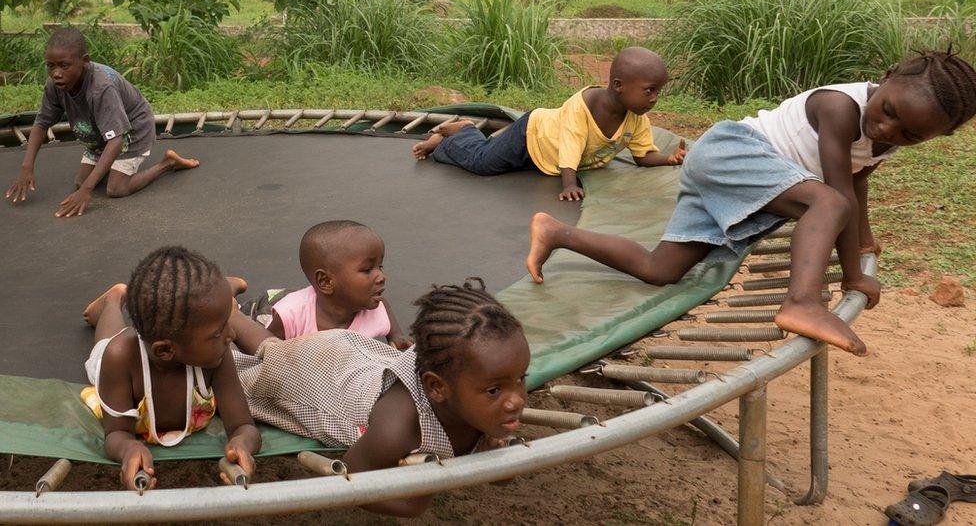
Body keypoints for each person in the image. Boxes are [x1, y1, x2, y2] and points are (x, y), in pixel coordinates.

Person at [526, 50, 976, 357]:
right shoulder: (841, 107)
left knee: (659, 269)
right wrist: (854, 276)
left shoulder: (886, 136)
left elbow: (858, 180)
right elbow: (838, 197)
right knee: (828, 204)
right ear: (888, 77)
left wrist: (864, 239)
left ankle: (557, 232)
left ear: (940, 136)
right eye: (889, 111)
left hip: (738, 177)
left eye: (910, 134)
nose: (886, 130)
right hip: (730, 153)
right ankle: (801, 303)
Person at [231, 278, 529, 517]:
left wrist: (493, 455)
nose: (516, 400)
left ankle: (231, 309)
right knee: (246, 372)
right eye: (495, 390)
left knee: (273, 349)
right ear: (437, 388)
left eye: (521, 378)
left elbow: (499, 474)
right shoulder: (397, 429)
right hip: (317, 381)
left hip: (358, 359)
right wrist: (414, 503)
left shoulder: (465, 383)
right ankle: (227, 309)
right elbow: (349, 479)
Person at [80, 246, 261, 491]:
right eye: (218, 332)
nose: (232, 335)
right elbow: (116, 434)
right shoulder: (119, 358)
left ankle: (224, 292)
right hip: (114, 359)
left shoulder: (217, 357)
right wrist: (128, 448)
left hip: (180, 330)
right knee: (106, 339)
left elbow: (243, 425)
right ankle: (113, 300)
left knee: (209, 311)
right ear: (165, 350)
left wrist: (242, 443)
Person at [411, 47, 685, 201]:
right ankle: (459, 134)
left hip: (545, 159)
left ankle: (463, 134)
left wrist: (668, 159)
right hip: (531, 135)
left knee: (511, 171)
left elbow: (642, 156)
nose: (655, 98)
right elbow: (570, 149)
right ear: (618, 85)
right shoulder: (582, 107)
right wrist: (569, 185)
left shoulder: (636, 117)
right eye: (649, 90)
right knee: (483, 163)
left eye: (658, 91)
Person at [4, 27, 199, 217]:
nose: (56, 73)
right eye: (50, 66)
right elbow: (41, 124)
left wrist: (87, 190)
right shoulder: (55, 85)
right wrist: (27, 167)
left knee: (116, 189)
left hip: (133, 129)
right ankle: (110, 167)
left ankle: (167, 164)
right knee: (81, 181)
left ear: (84, 61)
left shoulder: (101, 88)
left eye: (64, 66)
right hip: (102, 133)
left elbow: (116, 141)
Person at [236, 220, 412, 351]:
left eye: (380, 267)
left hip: (317, 297)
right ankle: (231, 289)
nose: (381, 277)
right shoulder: (290, 316)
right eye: (367, 270)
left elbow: (384, 306)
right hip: (272, 306)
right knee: (245, 319)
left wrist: (396, 335)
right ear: (326, 281)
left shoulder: (372, 306)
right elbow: (265, 350)